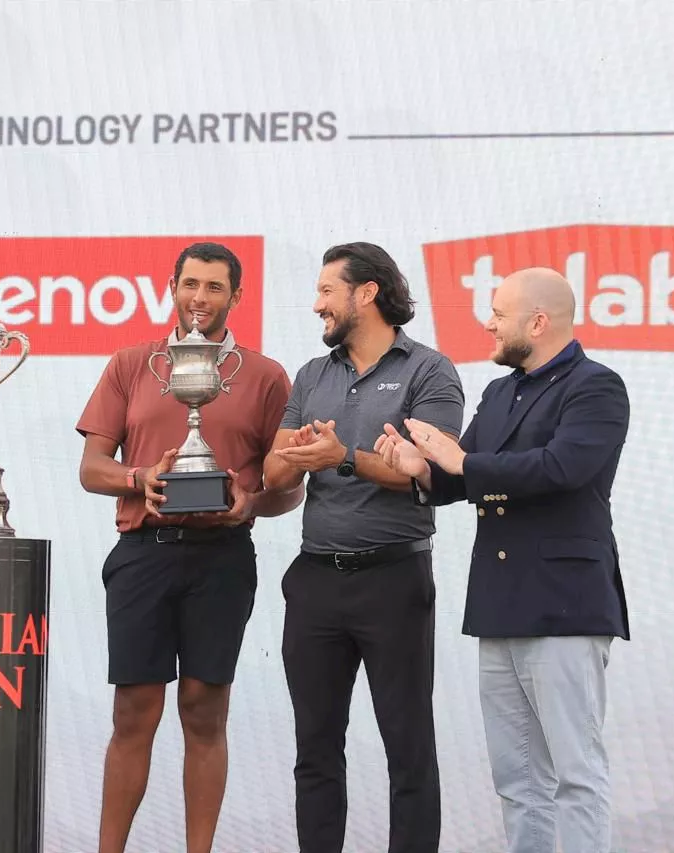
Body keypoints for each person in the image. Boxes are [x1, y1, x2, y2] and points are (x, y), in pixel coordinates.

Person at [374, 266, 630, 853]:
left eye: (498, 314)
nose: (487, 324)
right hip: (500, 603)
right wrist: (422, 471)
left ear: (537, 323)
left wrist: (459, 463)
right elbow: (464, 477)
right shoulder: (498, 392)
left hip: (565, 604)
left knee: (576, 772)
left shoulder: (596, 386)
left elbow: (562, 468)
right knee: (517, 778)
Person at [75, 241, 302, 853]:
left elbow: (289, 488)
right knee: (134, 709)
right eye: (191, 284)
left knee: (204, 709)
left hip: (221, 558)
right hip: (142, 553)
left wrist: (248, 504)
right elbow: (92, 468)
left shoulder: (265, 376)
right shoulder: (131, 364)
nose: (200, 298)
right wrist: (139, 478)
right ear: (172, 287)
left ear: (236, 296)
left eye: (215, 287)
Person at [262, 242, 465, 853]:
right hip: (315, 582)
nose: (316, 304)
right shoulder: (311, 375)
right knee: (315, 748)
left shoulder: (430, 370)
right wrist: (301, 453)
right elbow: (274, 473)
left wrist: (342, 457)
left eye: (327, 291)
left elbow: (430, 473)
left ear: (367, 293)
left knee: (408, 746)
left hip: (393, 580)